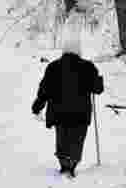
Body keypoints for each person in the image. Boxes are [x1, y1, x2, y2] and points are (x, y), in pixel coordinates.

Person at [32, 42, 104, 178]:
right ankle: (72, 164)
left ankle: (64, 164)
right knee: (77, 140)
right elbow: (98, 89)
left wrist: (37, 106)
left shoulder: (53, 67)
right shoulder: (87, 67)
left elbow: (44, 90)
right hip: (81, 114)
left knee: (62, 139)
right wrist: (99, 80)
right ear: (78, 51)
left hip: (59, 113)